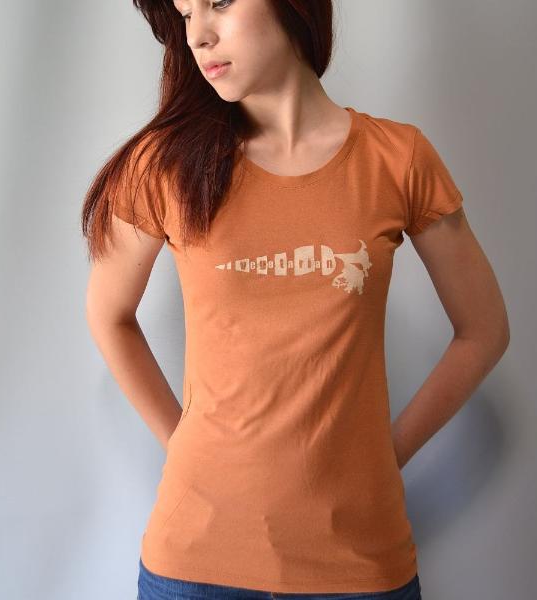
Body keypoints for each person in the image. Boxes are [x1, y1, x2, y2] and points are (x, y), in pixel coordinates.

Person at [82, 1, 510, 598]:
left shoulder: (397, 159)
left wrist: (388, 453)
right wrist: (179, 444)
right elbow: (109, 316)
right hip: (197, 564)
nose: (199, 35)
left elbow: (484, 330)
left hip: (361, 565)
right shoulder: (167, 166)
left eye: (219, 2)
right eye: (184, 14)